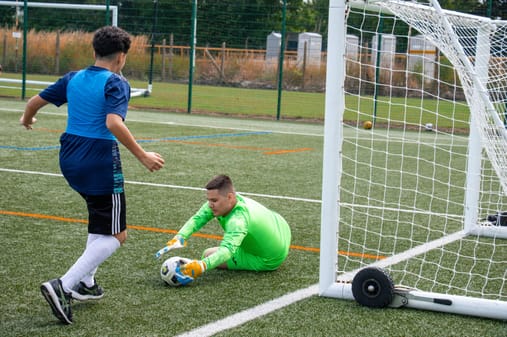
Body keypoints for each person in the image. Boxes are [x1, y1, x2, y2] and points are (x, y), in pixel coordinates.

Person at [20, 26, 165, 325]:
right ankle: (64, 285)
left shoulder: (73, 77)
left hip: (69, 156)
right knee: (117, 235)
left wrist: (28, 119)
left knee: (98, 217)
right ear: (121, 57)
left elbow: (33, 103)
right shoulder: (117, 82)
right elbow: (113, 122)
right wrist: (142, 155)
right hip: (98, 159)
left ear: (94, 51)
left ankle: (87, 282)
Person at [157, 174, 291, 284]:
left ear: (230, 197)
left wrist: (202, 265)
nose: (210, 205)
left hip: (270, 257)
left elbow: (227, 251)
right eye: (208, 200)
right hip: (281, 227)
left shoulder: (238, 221)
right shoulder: (228, 201)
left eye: (214, 201)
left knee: (208, 254)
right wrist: (180, 237)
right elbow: (198, 218)